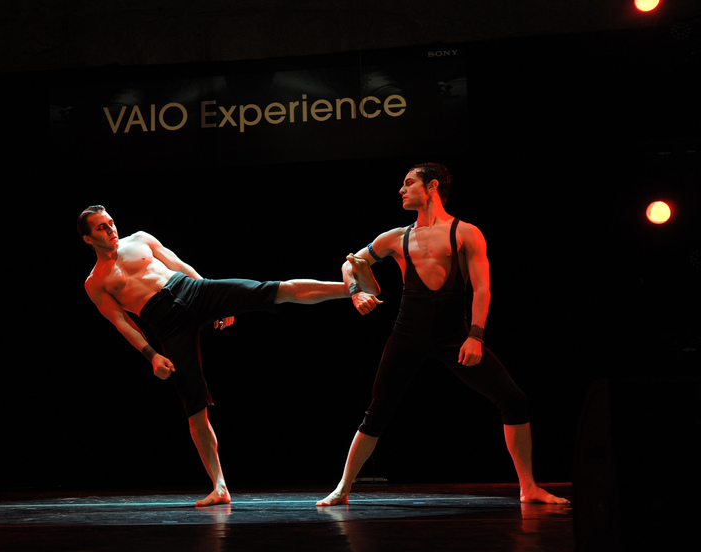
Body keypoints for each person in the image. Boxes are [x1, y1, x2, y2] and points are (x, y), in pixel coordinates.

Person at [79, 205, 381, 507]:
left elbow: (179, 264)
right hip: (164, 323)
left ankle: (353, 290)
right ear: (88, 239)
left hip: (190, 290)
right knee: (194, 406)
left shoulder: (140, 239)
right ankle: (220, 487)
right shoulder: (95, 282)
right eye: (101, 228)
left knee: (272, 290)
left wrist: (212, 299)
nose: (111, 230)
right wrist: (152, 355)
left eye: (111, 223)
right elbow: (122, 323)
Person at [317, 163, 568, 506]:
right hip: (408, 333)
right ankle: (342, 488)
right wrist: (355, 292)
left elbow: (482, 288)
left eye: (409, 183)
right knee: (377, 410)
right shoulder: (395, 237)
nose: (401, 190)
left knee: (514, 400)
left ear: (432, 186)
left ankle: (529, 487)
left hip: (454, 336)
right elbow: (350, 263)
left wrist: (475, 336)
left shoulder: (466, 233)